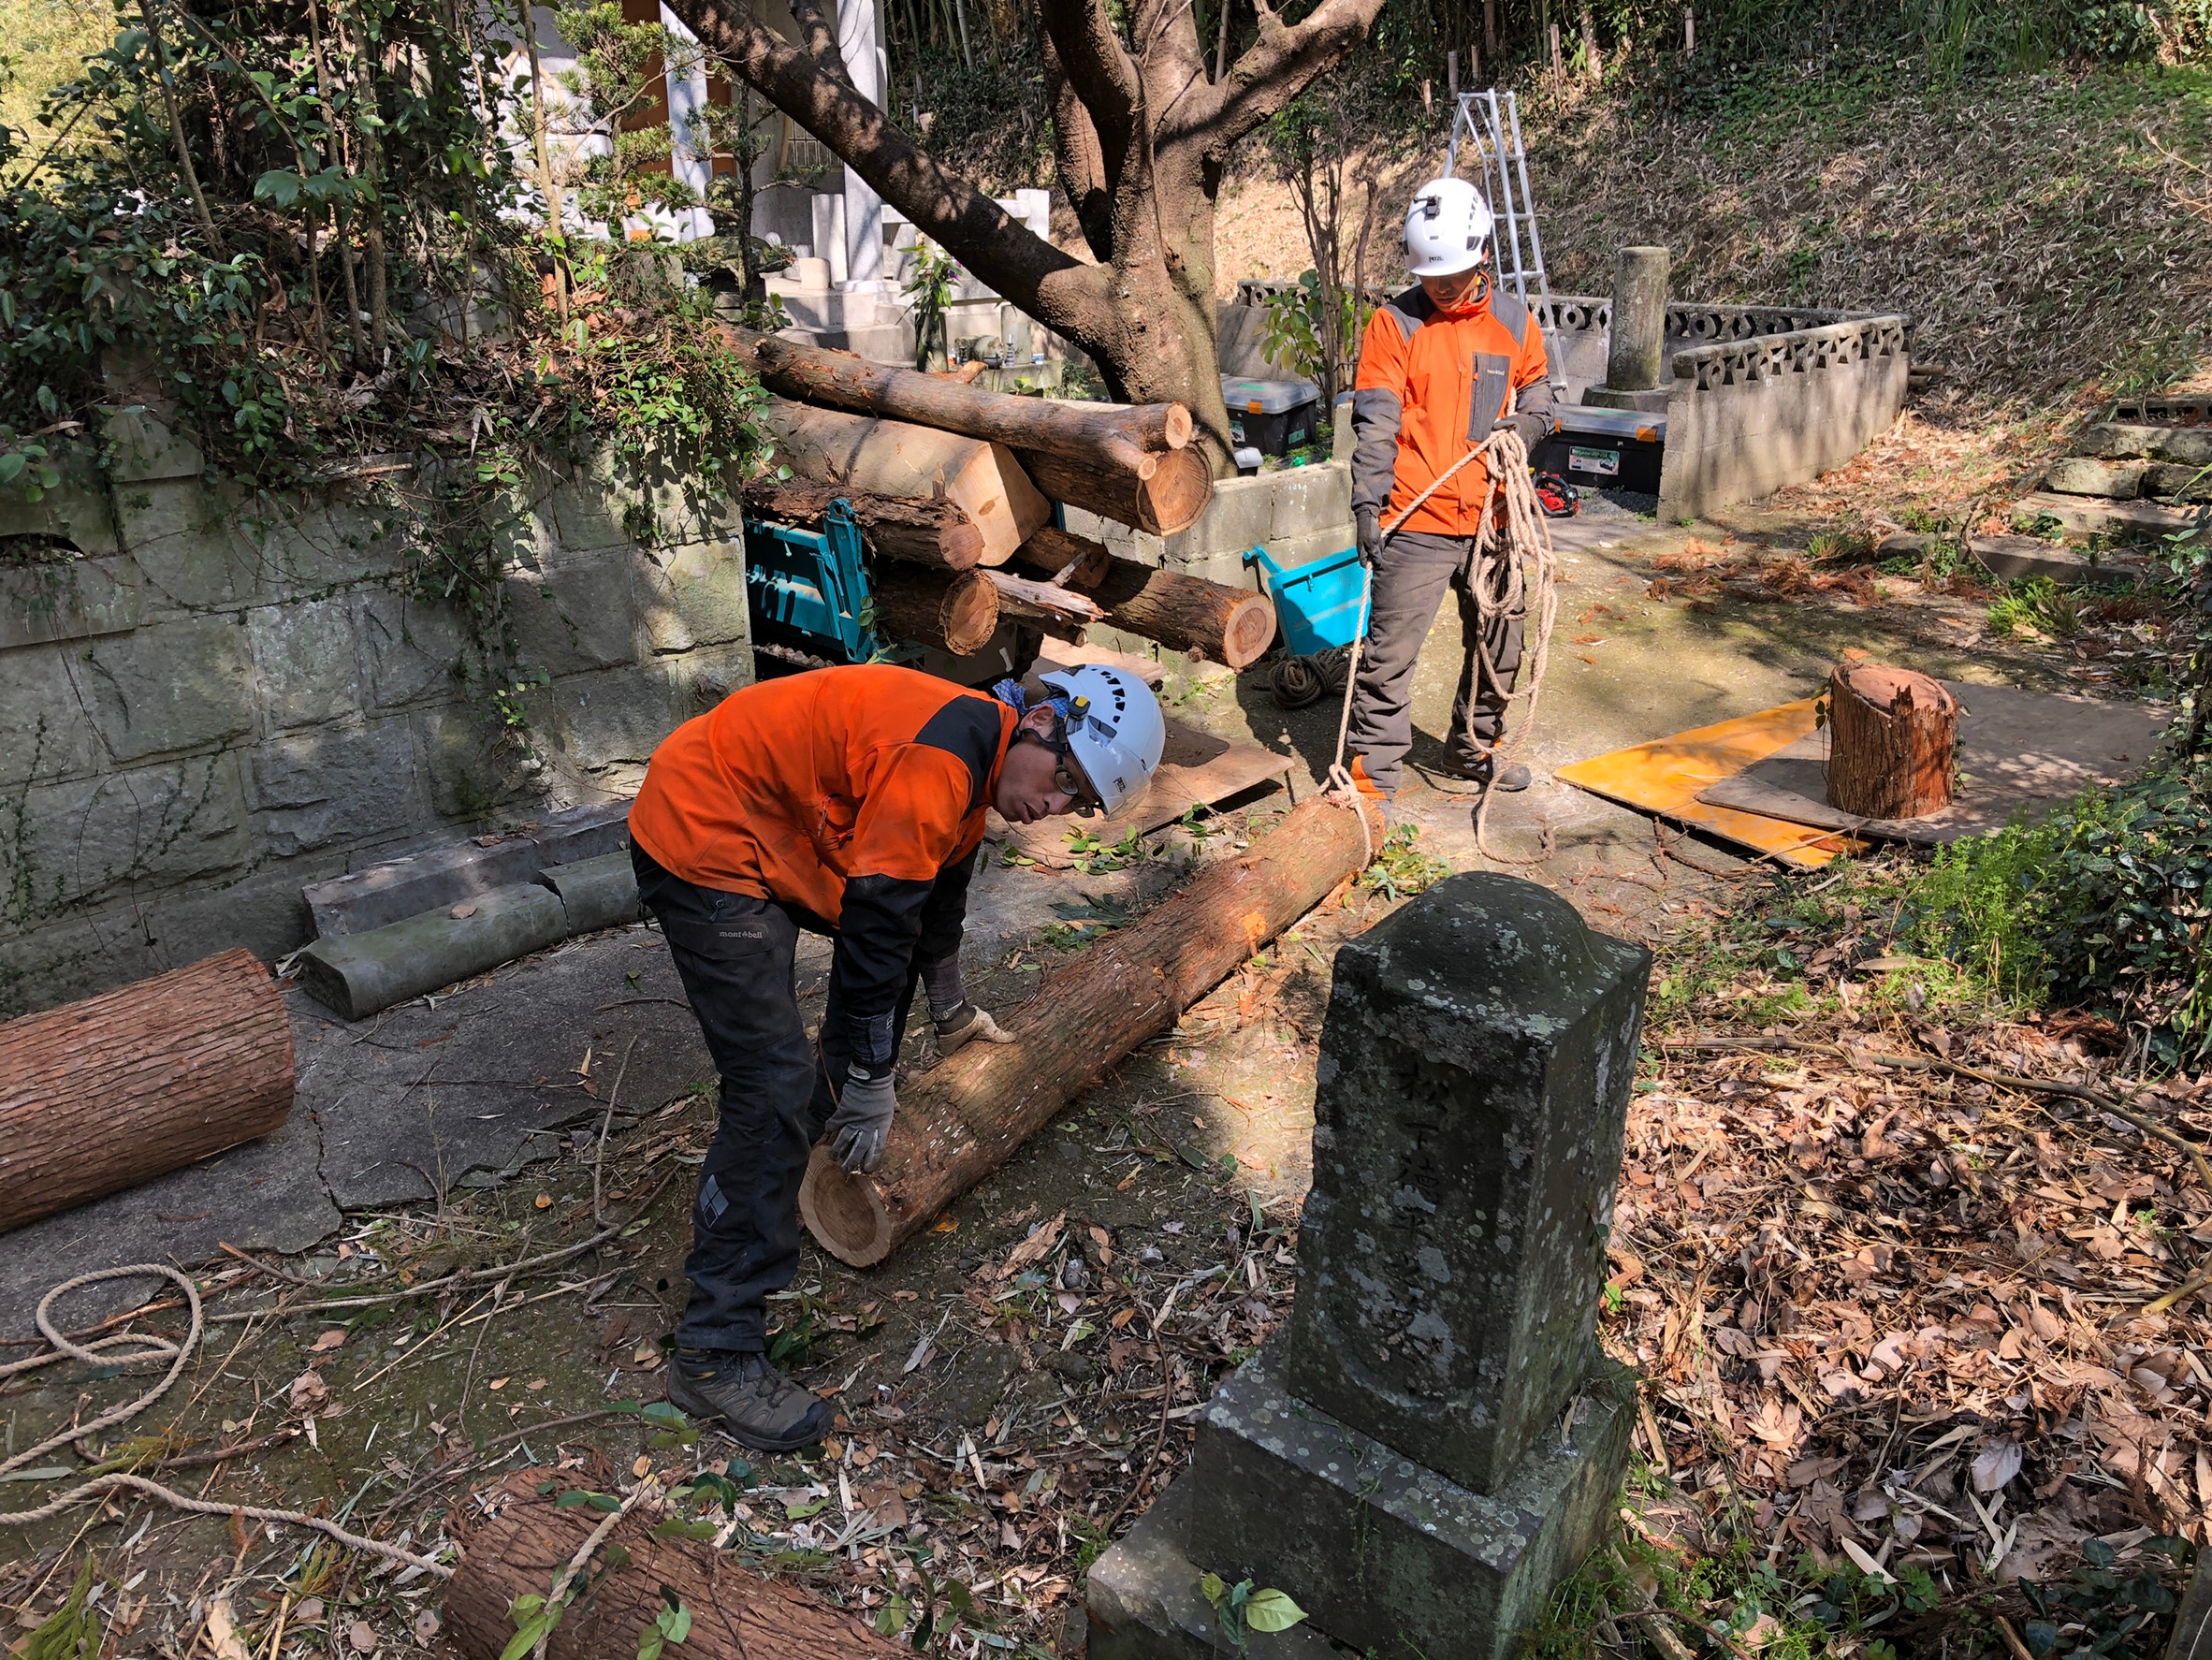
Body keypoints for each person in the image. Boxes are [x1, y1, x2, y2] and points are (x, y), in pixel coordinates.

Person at [626, 662, 1166, 1449]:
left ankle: (794, 1176)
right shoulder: (945, 757)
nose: (1054, 811)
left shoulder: (982, 751)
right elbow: (879, 922)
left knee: (845, 1026)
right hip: (702, 829)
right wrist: (874, 1080)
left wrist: (951, 1010)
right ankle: (715, 1353)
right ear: (1048, 725)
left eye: (1075, 806)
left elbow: (931, 906)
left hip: (773, 827)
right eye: (1065, 785)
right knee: (771, 1083)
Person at [1345, 175, 1557, 803]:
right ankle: (1370, 782)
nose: (1440, 286)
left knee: (1503, 644)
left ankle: (1473, 749)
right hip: (1417, 520)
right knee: (1388, 658)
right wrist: (1367, 504)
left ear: (1483, 254)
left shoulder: (1515, 323)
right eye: (1430, 275)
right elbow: (1377, 422)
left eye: (1453, 274)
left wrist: (1526, 424)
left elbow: (1542, 389)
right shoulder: (1395, 324)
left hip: (1493, 520)